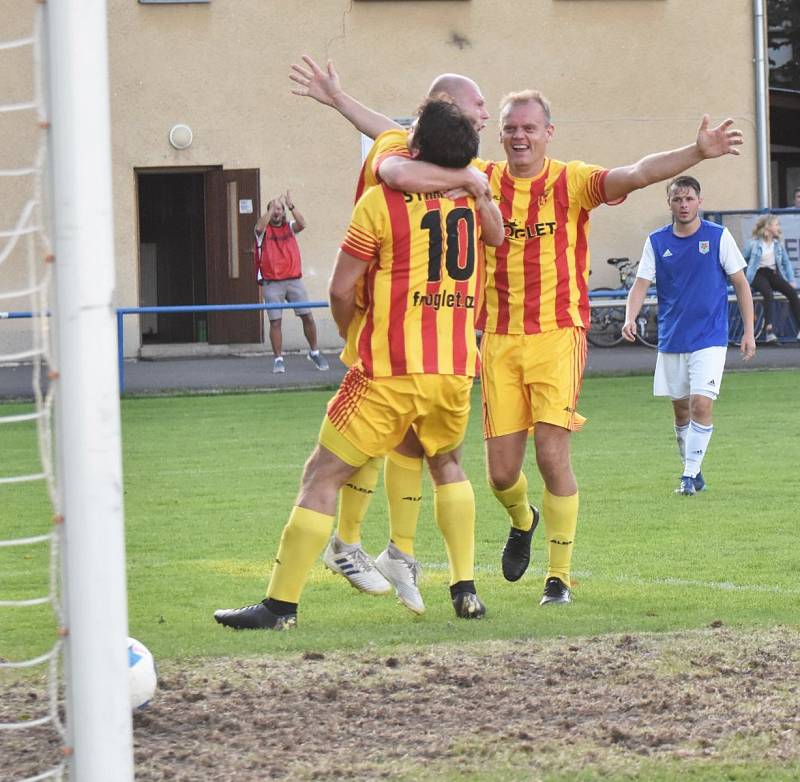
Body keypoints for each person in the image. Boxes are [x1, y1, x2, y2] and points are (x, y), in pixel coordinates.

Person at [378, 94, 746, 606]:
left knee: (553, 457)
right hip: (500, 340)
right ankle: (522, 518)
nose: (519, 136)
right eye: (510, 127)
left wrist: (697, 151)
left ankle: (560, 577)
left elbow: (638, 173)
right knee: (502, 474)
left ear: (549, 132)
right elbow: (404, 144)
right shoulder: (479, 176)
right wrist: (338, 100)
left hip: (558, 336)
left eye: (529, 127)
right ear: (500, 134)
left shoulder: (572, 181)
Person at [214, 98, 504, 631]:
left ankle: (280, 606)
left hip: (389, 369)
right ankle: (465, 589)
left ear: (415, 146)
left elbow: (341, 288)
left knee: (322, 474)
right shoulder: (476, 193)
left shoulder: (380, 202)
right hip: (456, 368)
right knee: (448, 465)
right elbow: (498, 236)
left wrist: (353, 334)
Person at [290, 56, 492, 615]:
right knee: (407, 449)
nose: (486, 118)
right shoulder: (422, 164)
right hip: (421, 337)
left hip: (402, 331)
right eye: (479, 108)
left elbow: (389, 143)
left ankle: (385, 551)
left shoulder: (458, 169)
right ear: (449, 110)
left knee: (381, 444)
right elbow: (398, 168)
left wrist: (338, 99)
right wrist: (471, 181)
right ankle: (365, 548)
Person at [623, 176, 755, 495]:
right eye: (677, 199)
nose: (683, 204)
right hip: (672, 338)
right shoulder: (656, 241)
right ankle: (692, 470)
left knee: (701, 404)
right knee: (681, 410)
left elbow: (741, 283)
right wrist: (630, 317)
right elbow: (641, 283)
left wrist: (749, 331)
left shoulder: (718, 237)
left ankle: (687, 476)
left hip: (710, 337)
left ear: (700, 201)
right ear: (669, 203)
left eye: (689, 199)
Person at [253, 191, 329, 374]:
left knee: (307, 316)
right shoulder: (263, 231)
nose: (277, 212)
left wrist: (291, 205)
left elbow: (303, 224)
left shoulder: (289, 227)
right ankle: (278, 359)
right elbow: (259, 227)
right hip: (272, 283)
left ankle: (314, 352)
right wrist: (271, 209)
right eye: (274, 209)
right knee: (275, 322)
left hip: (294, 280)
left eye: (280, 209)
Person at [742, 215, 800, 343]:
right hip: (757, 274)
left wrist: (791, 279)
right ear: (768, 226)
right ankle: (769, 330)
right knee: (767, 293)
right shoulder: (753, 243)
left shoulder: (777, 244)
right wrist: (743, 279)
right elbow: (742, 260)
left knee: (792, 293)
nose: (778, 227)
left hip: (771, 273)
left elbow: (786, 263)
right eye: (776, 224)